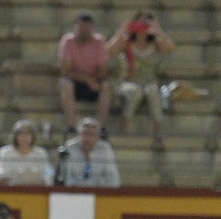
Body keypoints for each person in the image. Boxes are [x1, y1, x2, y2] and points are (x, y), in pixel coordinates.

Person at [109, 11, 175, 142]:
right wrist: (122, 30)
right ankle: (125, 125)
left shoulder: (155, 44)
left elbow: (170, 48)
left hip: (149, 82)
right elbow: (109, 50)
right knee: (135, 91)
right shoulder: (126, 42)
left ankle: (158, 129)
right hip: (128, 82)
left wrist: (158, 31)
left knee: (152, 90)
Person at [58, 11, 113, 135]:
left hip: (94, 82)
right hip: (75, 83)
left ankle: (101, 127)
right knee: (66, 84)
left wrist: (93, 81)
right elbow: (65, 71)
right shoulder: (68, 41)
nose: (84, 32)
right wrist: (87, 80)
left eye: (87, 29)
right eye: (81, 28)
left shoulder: (99, 42)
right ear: (75, 27)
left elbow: (103, 70)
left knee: (106, 86)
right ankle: (71, 126)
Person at [55, 118, 122, 188]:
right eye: (85, 134)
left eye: (92, 134)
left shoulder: (105, 149)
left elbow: (112, 177)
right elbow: (64, 175)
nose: (88, 138)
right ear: (79, 135)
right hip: (74, 192)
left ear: (97, 137)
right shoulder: (69, 147)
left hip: (99, 193)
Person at [0, 119, 55, 186]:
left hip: (36, 191)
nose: (24, 137)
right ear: (15, 136)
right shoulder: (5, 152)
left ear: (33, 136)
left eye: (28, 133)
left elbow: (49, 173)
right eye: (20, 133)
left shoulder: (41, 153)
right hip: (12, 190)